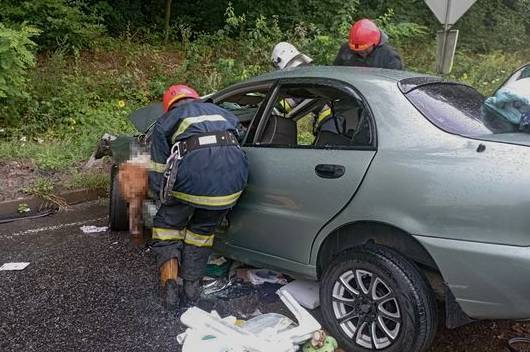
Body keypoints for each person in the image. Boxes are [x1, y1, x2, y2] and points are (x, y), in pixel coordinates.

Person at [148, 84, 249, 309]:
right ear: (196, 99)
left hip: (192, 181)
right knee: (201, 233)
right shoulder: (225, 113)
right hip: (231, 185)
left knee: (167, 227)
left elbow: (157, 168)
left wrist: (160, 197)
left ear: (169, 106)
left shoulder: (167, 120)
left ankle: (170, 285)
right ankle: (191, 288)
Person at [270, 42, 345, 141]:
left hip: (330, 119)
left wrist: (272, 107)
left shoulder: (300, 75)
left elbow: (294, 99)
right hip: (333, 118)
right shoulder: (307, 70)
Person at [334, 18, 403, 70]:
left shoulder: (390, 58)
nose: (361, 51)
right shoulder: (346, 49)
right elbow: (336, 72)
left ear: (374, 43)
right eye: (357, 48)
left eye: (365, 48)